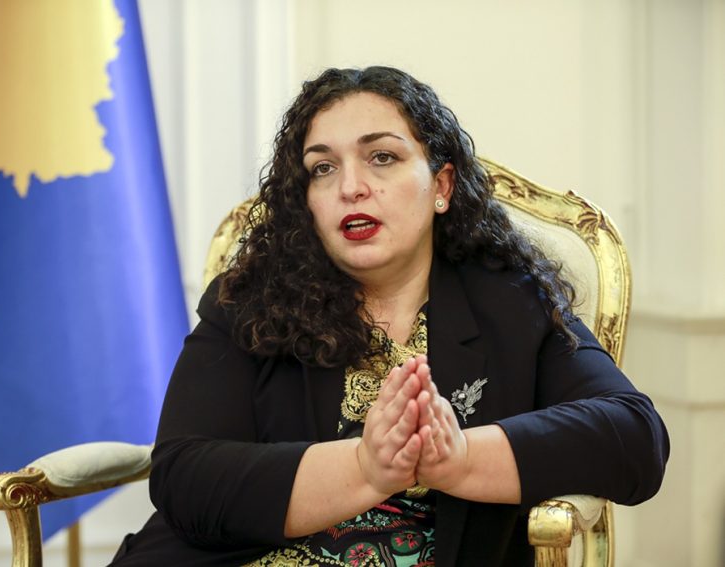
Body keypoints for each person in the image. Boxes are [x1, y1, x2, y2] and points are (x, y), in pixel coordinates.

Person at [109, 66, 669, 566]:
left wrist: (458, 460)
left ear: (441, 185)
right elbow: (184, 474)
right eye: (322, 168)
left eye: (382, 157)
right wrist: (364, 468)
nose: (351, 187)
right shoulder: (251, 301)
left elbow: (633, 437)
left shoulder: (510, 301)